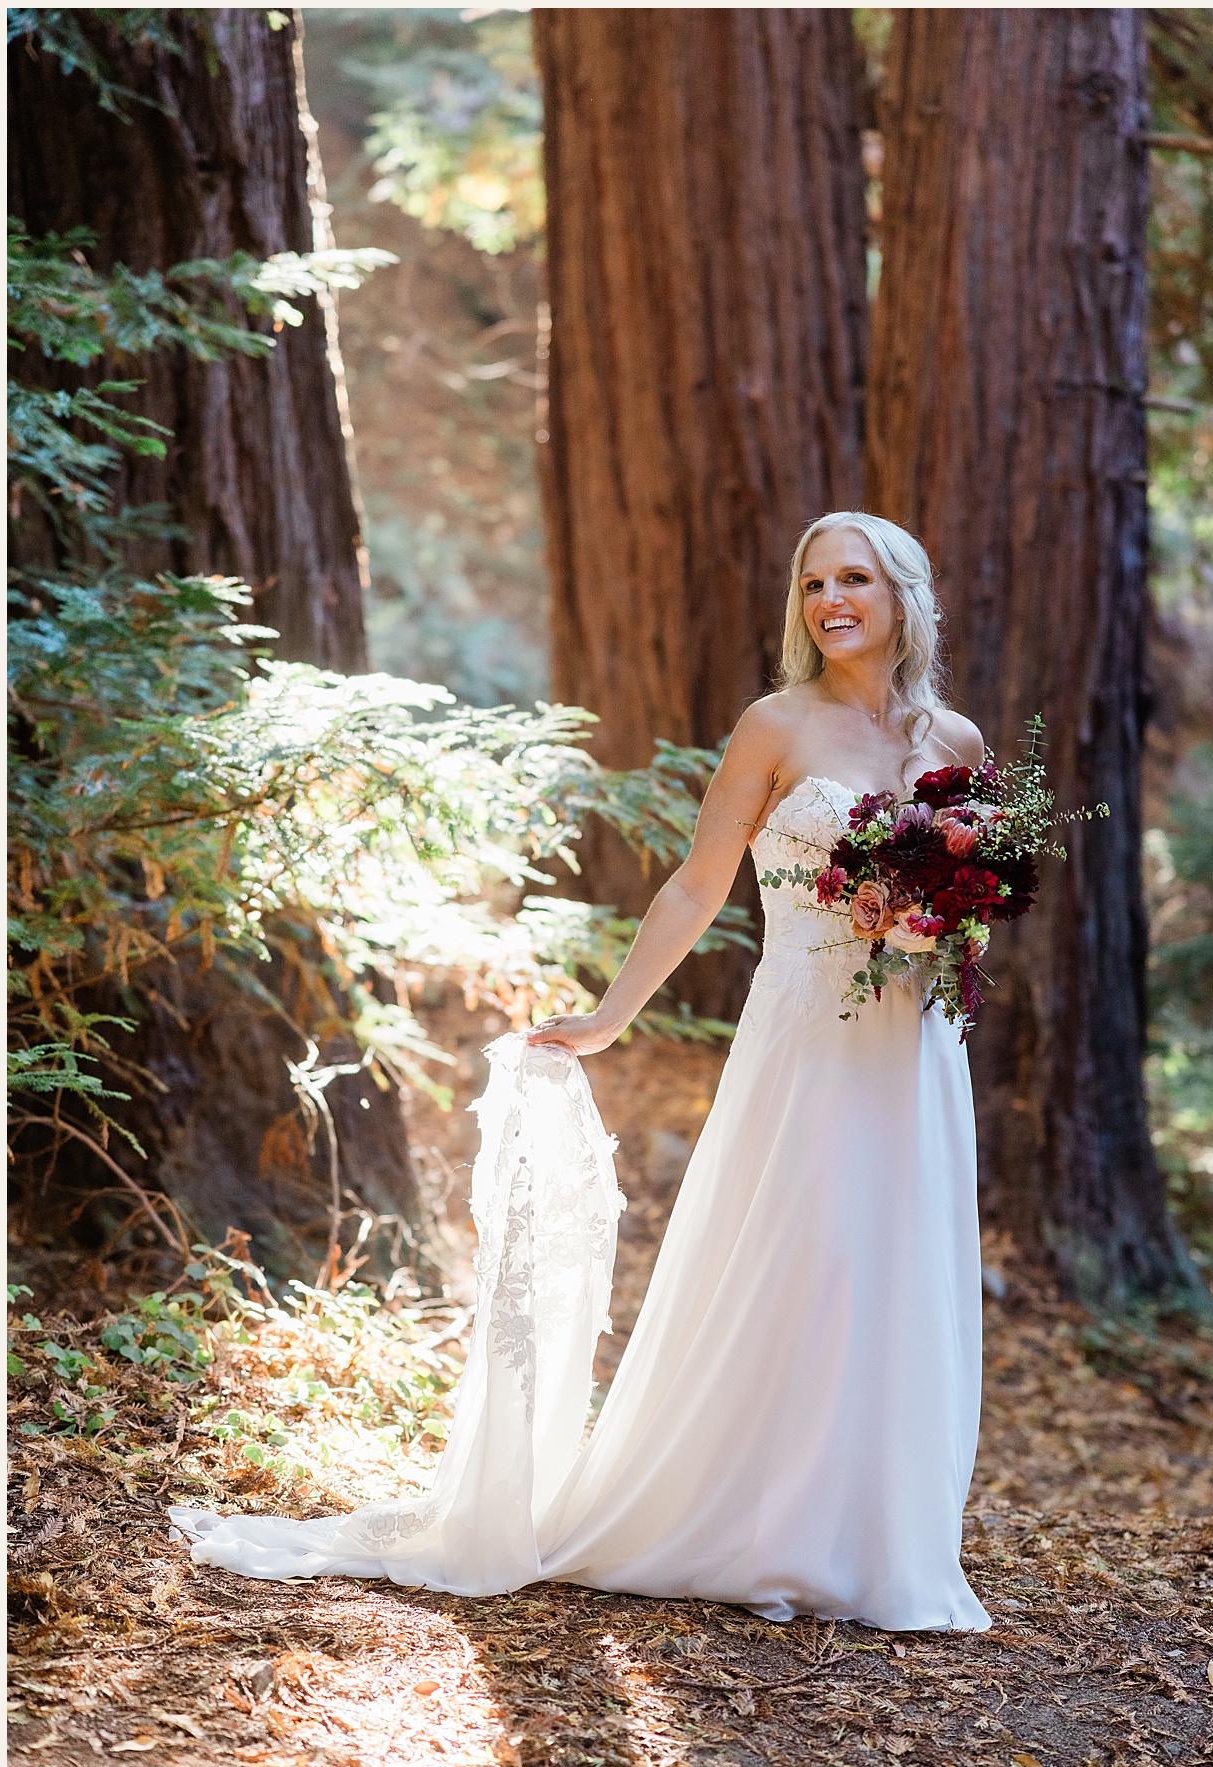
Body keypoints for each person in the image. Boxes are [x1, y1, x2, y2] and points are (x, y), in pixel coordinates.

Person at [172, 511, 994, 1632]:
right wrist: (611, 1017)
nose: (828, 600)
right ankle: (759, 1521)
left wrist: (936, 931)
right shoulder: (774, 724)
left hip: (915, 1043)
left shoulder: (956, 743)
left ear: (903, 592)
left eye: (853, 578)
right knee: (805, 1247)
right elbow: (695, 888)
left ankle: (876, 1538)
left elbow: (975, 912)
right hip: (806, 1030)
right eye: (812, 583)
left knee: (895, 1260)